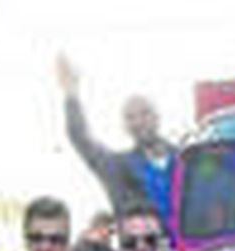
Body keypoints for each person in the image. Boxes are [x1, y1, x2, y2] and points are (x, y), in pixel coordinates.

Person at [56, 54, 177, 220]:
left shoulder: (187, 158)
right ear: (124, 127)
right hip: (142, 245)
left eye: (144, 113)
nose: (138, 121)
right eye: (130, 117)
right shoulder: (116, 167)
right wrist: (71, 93)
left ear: (158, 117)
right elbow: (80, 137)